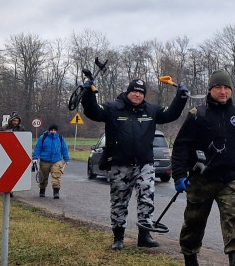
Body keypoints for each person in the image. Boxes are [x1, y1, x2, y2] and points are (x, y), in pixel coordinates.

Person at [81, 77, 189, 250]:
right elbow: (93, 112)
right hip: (119, 164)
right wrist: (87, 94)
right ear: (128, 91)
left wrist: (181, 98)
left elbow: (171, 114)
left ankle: (144, 236)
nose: (137, 94)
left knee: (147, 198)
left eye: (141, 92)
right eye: (134, 91)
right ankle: (118, 237)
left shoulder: (151, 110)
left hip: (145, 163)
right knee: (119, 201)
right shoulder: (113, 108)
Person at [172, 69, 235, 266]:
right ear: (210, 90)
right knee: (194, 221)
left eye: (226, 87)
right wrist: (179, 175)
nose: (223, 91)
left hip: (230, 178)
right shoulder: (197, 115)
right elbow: (181, 147)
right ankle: (190, 259)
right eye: (218, 87)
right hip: (201, 179)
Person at [32, 125, 70, 199]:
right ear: (49, 130)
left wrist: (66, 159)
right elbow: (38, 148)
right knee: (43, 177)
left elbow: (64, 149)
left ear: (56, 131)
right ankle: (42, 191)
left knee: (56, 176)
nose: (53, 131)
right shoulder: (43, 138)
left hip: (56, 160)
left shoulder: (60, 138)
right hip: (44, 161)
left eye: (54, 130)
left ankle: (56, 192)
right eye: (51, 130)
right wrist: (35, 157)